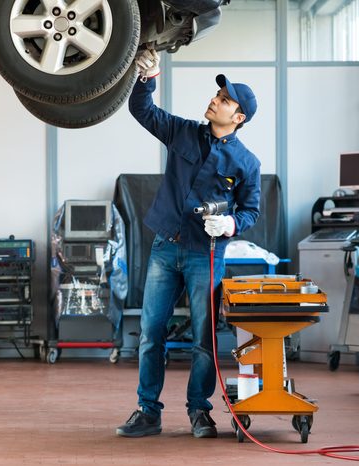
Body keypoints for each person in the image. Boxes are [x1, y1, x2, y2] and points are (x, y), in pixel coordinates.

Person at [116, 47, 261, 439]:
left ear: (239, 117)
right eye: (217, 95)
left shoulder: (247, 163)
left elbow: (251, 211)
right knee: (151, 334)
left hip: (206, 256)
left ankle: (200, 411)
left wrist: (230, 223)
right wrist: (149, 77)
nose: (215, 101)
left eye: (225, 100)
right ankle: (148, 411)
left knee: (204, 339)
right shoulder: (182, 131)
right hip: (165, 247)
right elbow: (142, 111)